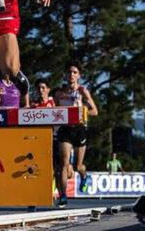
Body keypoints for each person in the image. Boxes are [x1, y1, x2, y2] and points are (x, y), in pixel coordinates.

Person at [54, 62, 98, 207]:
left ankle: (84, 176)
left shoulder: (83, 91)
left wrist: (82, 111)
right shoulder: (60, 93)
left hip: (79, 130)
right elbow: (55, 112)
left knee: (78, 166)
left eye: (74, 72)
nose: (71, 75)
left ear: (79, 75)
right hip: (65, 130)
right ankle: (63, 196)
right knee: (64, 164)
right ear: (65, 75)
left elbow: (94, 111)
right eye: (69, 72)